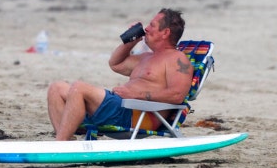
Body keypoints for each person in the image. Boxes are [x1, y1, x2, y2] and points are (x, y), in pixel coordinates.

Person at [47, 8, 193, 141]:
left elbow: (177, 95)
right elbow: (115, 64)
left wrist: (136, 95)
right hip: (121, 108)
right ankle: (67, 140)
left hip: (136, 115)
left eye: (152, 25)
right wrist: (130, 42)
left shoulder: (177, 59)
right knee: (56, 88)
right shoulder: (146, 57)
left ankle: (60, 143)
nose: (146, 29)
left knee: (79, 88)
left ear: (165, 33)